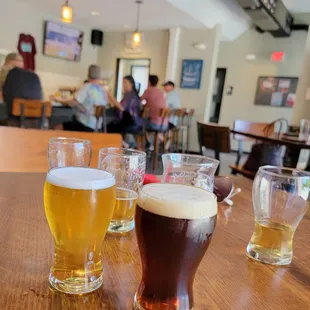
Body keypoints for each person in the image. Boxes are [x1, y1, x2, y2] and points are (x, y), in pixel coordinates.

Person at [55, 65, 107, 132]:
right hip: (97, 127)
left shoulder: (87, 87)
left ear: (88, 75)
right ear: (99, 77)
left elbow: (72, 103)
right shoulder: (103, 90)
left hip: (84, 125)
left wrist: (60, 100)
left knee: (57, 127)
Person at [107, 76, 142, 148]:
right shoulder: (131, 94)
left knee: (108, 127)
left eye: (125, 82)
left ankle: (124, 144)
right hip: (134, 122)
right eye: (123, 83)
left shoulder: (130, 94)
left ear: (131, 84)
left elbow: (121, 107)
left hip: (131, 123)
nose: (124, 84)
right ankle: (124, 143)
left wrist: (110, 95)